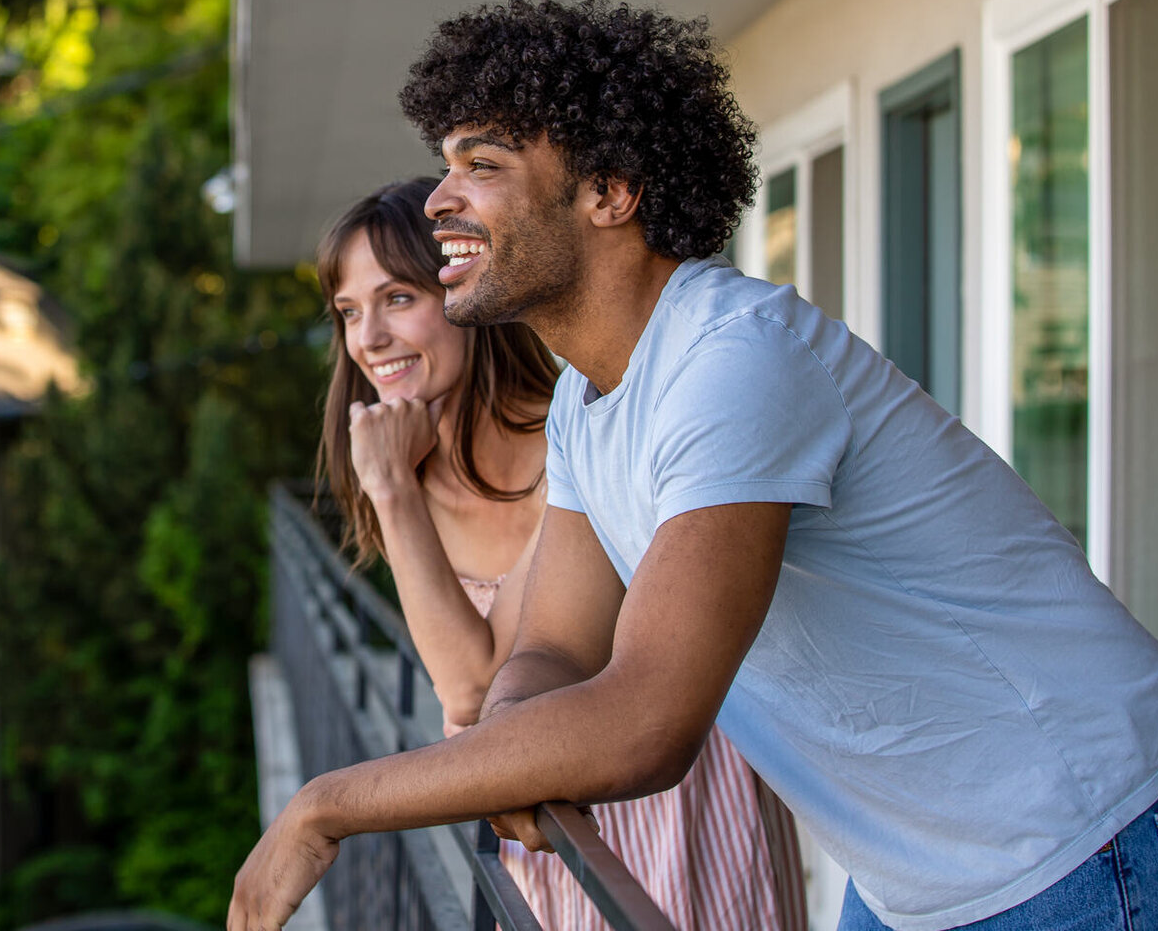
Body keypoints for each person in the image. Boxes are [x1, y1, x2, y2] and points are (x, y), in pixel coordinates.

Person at [230, 0, 1158, 931]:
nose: (440, 200)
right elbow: (553, 647)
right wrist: (508, 747)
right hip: (921, 870)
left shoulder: (732, 358)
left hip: (1091, 834)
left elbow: (648, 714)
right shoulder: (586, 395)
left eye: (479, 165)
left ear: (611, 189)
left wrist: (329, 805)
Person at [316, 176, 801, 931]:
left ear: (464, 285)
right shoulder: (409, 463)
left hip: (670, 805)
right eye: (349, 311)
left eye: (399, 298)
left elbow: (472, 693)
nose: (369, 337)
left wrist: (392, 494)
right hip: (536, 824)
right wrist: (395, 490)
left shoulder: (574, 432)